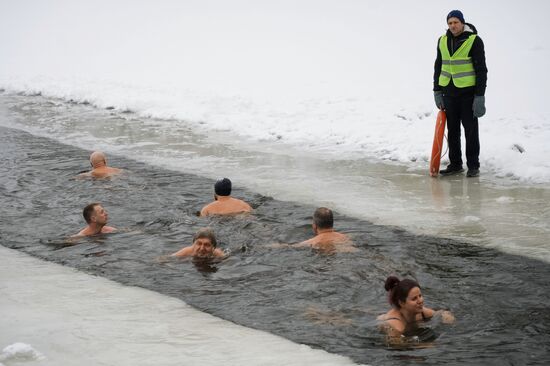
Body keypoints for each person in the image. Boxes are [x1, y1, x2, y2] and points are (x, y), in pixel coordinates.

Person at [433, 10, 488, 177]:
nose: (452, 26)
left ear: (462, 22)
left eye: (455, 22)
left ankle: (473, 165)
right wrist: (437, 90)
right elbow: (438, 66)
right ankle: (456, 164)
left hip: (468, 93)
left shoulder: (474, 41)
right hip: (449, 92)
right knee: (453, 130)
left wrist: (480, 96)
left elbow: (481, 70)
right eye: (450, 23)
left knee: (470, 130)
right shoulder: (442, 40)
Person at [378, 276, 455, 340]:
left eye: (420, 296)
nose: (420, 301)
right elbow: (396, 345)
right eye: (414, 298)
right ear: (401, 303)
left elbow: (440, 312)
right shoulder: (396, 325)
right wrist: (424, 346)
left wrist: (447, 315)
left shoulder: (421, 312)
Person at [270, 207, 355, 253]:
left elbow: (289, 247)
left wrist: (268, 246)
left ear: (314, 226)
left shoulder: (313, 242)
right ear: (332, 223)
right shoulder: (345, 237)